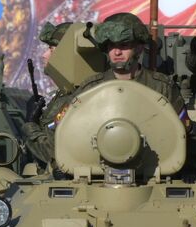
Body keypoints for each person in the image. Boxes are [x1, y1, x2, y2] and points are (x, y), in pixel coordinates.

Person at [24, 12, 186, 165]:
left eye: (124, 45)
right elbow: (57, 143)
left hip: (152, 173)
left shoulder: (161, 87)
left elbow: (184, 134)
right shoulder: (89, 90)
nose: (116, 52)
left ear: (139, 48)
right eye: (111, 46)